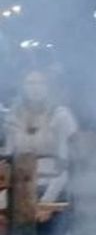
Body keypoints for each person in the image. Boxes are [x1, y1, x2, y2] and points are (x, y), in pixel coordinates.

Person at [2, 70, 78, 204]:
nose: (35, 88)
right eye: (30, 83)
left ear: (49, 87)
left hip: (54, 189)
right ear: (23, 87)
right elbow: (8, 161)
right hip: (20, 190)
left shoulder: (61, 116)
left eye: (40, 83)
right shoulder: (13, 117)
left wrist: (47, 203)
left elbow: (66, 164)